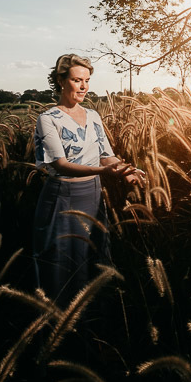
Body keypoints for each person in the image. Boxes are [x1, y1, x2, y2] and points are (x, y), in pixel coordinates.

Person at [32, 53, 142, 305]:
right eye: (76, 80)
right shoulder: (48, 119)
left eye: (87, 80)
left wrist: (128, 170)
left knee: (91, 258)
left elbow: (106, 156)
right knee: (60, 263)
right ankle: (60, 323)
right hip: (61, 198)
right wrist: (103, 172)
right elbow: (60, 165)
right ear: (61, 81)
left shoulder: (93, 116)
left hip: (92, 196)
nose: (84, 86)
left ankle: (92, 321)